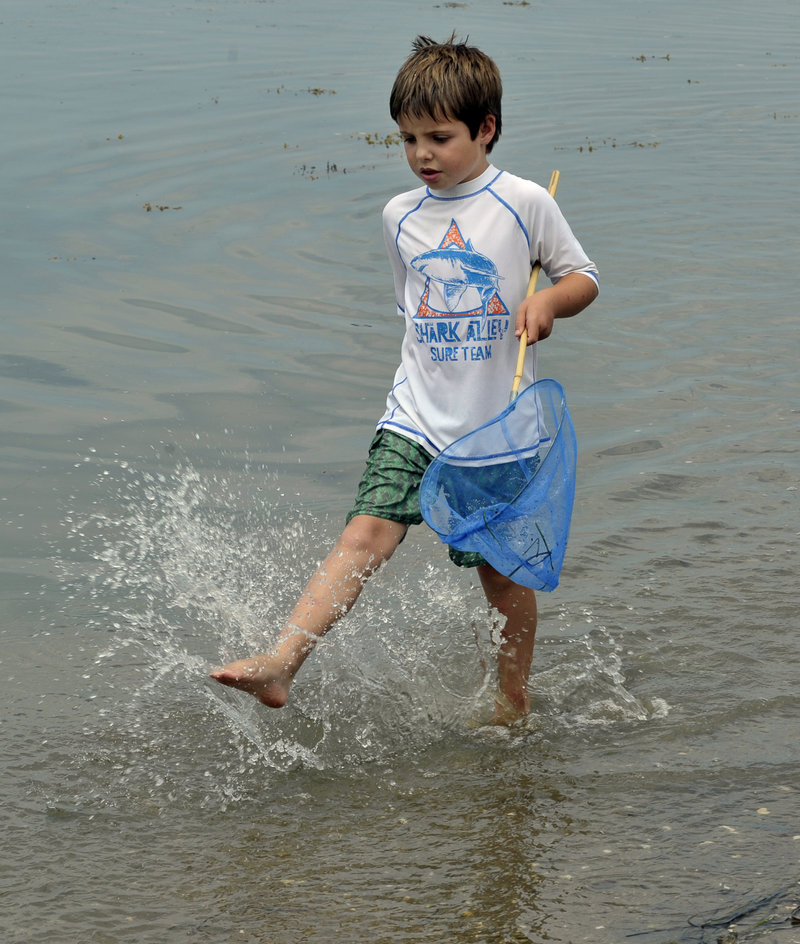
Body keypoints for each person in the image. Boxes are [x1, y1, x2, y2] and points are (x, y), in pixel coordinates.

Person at [211, 34, 598, 723]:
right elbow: (413, 313)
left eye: (440, 138)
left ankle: (512, 701)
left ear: (486, 130)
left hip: (495, 430)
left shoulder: (525, 202)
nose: (422, 154)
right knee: (365, 534)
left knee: (501, 578)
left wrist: (545, 304)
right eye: (408, 138)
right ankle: (281, 662)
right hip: (415, 416)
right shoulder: (400, 218)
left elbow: (583, 277)